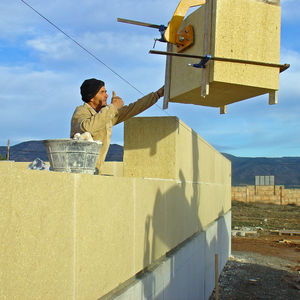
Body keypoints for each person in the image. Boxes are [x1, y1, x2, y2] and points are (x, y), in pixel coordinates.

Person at [70, 78, 164, 174]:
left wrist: (157, 95)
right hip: (79, 171)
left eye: (106, 92)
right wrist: (112, 107)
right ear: (91, 97)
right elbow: (89, 128)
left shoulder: (106, 115)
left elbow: (133, 109)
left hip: (94, 171)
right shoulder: (81, 111)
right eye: (102, 92)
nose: (106, 95)